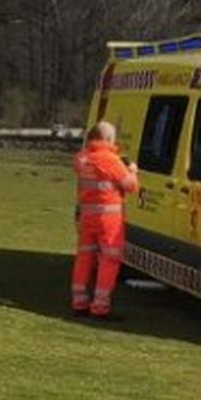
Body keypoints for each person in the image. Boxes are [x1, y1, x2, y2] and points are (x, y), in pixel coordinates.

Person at [71, 120, 138, 320]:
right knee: (109, 260)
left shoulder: (82, 159)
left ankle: (79, 301)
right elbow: (130, 186)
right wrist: (133, 169)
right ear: (108, 139)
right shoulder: (110, 160)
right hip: (109, 219)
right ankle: (100, 307)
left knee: (85, 258)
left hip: (87, 217)